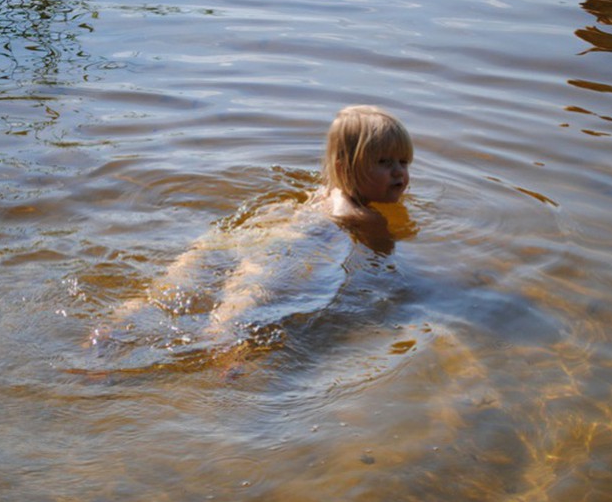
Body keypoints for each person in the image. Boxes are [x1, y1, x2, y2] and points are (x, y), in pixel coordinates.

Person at [87, 105, 414, 373]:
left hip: (245, 235)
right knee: (243, 301)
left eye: (403, 162)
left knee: (169, 289)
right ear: (345, 168)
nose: (399, 173)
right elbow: (379, 258)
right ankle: (225, 354)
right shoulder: (363, 216)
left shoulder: (322, 194)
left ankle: (114, 327)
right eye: (384, 163)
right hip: (282, 250)